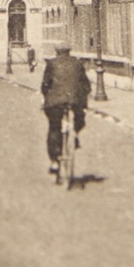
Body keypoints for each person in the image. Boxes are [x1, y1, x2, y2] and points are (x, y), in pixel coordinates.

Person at [40, 42, 91, 178]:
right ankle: (75, 133)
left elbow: (45, 84)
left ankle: (54, 162)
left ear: (57, 51)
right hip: (74, 101)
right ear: (69, 51)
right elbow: (86, 84)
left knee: (54, 127)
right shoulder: (77, 64)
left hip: (55, 102)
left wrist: (46, 96)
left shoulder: (51, 64)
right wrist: (83, 98)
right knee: (80, 119)